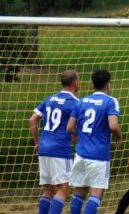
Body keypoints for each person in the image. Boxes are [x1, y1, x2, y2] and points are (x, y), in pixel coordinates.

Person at [66, 69, 123, 214]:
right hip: (99, 155)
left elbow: (70, 127)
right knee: (96, 193)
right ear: (108, 85)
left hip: (81, 154)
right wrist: (118, 137)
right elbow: (113, 125)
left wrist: (79, 137)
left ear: (92, 85)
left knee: (79, 192)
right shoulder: (110, 101)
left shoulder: (81, 102)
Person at [29, 70, 80, 214]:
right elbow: (75, 129)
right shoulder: (76, 103)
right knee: (63, 188)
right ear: (75, 83)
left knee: (48, 189)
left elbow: (32, 120)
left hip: (44, 148)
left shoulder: (49, 99)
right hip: (60, 149)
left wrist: (37, 142)